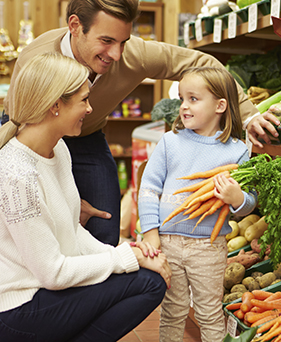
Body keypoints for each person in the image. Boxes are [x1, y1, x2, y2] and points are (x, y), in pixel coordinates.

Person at [1, 0, 280, 247]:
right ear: (75, 26)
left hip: (87, 136)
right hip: (28, 136)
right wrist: (66, 200)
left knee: (105, 221)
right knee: (37, 221)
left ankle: (99, 298)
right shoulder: (36, 60)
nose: (117, 54)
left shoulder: (133, 54)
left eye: (123, 41)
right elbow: (22, 143)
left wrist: (249, 115)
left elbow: (204, 64)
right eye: (106, 41)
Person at [0, 52, 171, 342]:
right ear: (55, 106)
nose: (90, 109)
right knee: (148, 283)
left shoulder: (59, 149)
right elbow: (53, 273)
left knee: (149, 279)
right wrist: (126, 258)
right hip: (18, 310)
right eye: (83, 100)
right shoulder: (17, 174)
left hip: (43, 292)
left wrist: (132, 253)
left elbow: (72, 231)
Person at [138, 66, 258, 342]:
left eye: (193, 99)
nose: (184, 107)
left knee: (209, 313)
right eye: (182, 99)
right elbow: (149, 187)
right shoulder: (170, 142)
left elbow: (250, 202)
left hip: (209, 247)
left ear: (220, 105)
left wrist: (237, 199)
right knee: (172, 310)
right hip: (167, 242)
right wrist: (151, 233)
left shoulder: (239, 151)